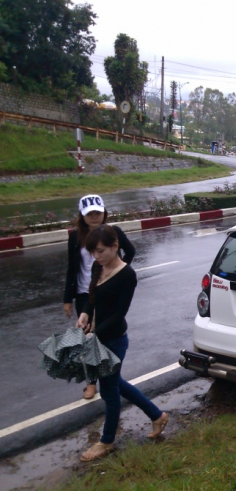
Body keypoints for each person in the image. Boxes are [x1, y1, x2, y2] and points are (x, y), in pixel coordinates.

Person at [76, 224, 168, 462]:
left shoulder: (127, 275)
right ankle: (157, 416)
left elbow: (119, 314)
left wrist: (94, 335)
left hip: (114, 340)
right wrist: (85, 313)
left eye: (100, 251)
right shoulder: (100, 268)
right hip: (96, 337)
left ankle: (106, 442)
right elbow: (92, 296)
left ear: (115, 247)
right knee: (116, 383)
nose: (96, 256)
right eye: (93, 252)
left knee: (109, 391)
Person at [64, 194, 135, 400]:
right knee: (85, 337)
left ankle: (109, 376)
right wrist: (67, 298)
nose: (95, 217)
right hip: (84, 293)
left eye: (98, 212)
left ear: (104, 212)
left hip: (106, 290)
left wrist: (118, 274)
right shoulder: (75, 236)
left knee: (102, 334)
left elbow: (129, 251)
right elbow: (71, 267)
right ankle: (91, 382)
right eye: (90, 214)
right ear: (82, 216)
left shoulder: (114, 233)